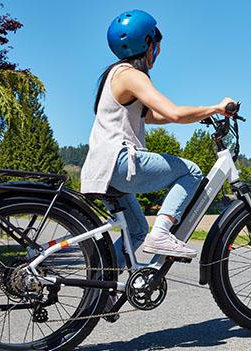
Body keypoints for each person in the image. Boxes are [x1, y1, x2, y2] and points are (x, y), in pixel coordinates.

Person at [80, 9, 235, 262]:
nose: (158, 52)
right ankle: (162, 233)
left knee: (137, 230)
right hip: (120, 162)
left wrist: (199, 115)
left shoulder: (114, 75)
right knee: (191, 171)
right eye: (157, 45)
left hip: (101, 169)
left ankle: (103, 292)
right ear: (148, 42)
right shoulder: (131, 75)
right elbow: (172, 113)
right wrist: (217, 107)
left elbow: (153, 117)